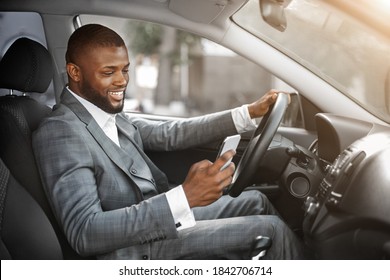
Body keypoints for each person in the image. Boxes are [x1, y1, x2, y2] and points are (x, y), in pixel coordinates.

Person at [32, 24, 304, 260]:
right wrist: (183, 197)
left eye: (125, 70)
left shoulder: (106, 114)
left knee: (255, 200)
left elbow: (171, 132)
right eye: (108, 72)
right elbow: (85, 232)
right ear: (75, 73)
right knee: (270, 232)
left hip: (158, 224)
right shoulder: (61, 131)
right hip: (131, 252)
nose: (122, 81)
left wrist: (247, 113)